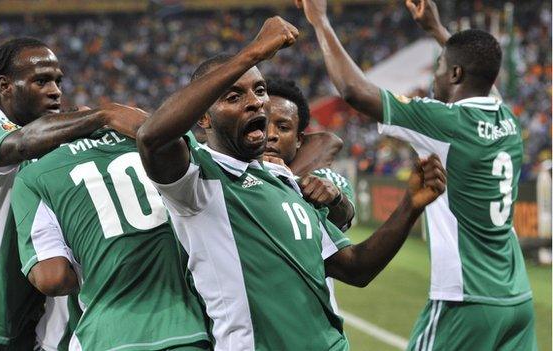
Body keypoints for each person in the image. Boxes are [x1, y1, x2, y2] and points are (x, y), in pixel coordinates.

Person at [136, 16, 446, 350]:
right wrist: (252, 54)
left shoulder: (285, 181)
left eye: (259, 90)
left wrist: (410, 206)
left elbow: (356, 268)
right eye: (233, 96)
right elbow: (152, 137)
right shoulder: (197, 183)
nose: (255, 102)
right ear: (203, 117)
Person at [297, 0, 536, 349]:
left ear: (455, 75)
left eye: (439, 66)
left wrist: (319, 21)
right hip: (518, 298)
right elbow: (486, 80)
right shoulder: (507, 120)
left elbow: (354, 91)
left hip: (466, 298)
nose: (433, 76)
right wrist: (437, 32)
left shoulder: (447, 122)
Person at [0, 37, 146, 350]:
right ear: (5, 86)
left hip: (29, 327)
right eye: (41, 81)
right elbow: (21, 144)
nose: (55, 90)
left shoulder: (50, 142)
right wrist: (102, 116)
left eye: (58, 81)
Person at [10, 127, 210, 351]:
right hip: (185, 325)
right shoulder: (159, 141)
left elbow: (52, 279)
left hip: (106, 333)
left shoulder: (35, 174)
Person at [265, 77, 355, 229]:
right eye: (262, 124)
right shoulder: (229, 168)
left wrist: (336, 198)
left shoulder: (323, 177)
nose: (270, 134)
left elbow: (344, 216)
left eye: (283, 127)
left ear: (299, 140)